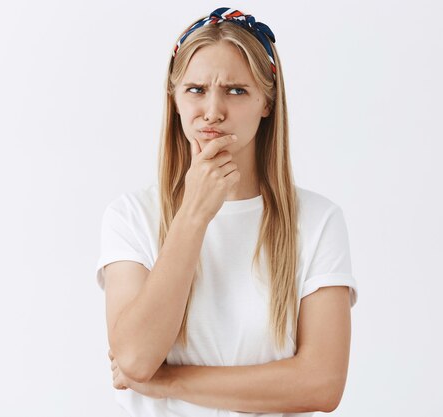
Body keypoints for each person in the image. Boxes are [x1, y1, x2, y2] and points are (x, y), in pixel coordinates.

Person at [95, 6, 359, 417]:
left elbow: (321, 384)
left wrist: (169, 381)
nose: (212, 111)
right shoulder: (130, 216)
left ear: (267, 102)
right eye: (196, 90)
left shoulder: (317, 220)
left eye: (236, 91)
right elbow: (134, 357)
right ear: (175, 99)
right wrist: (194, 214)